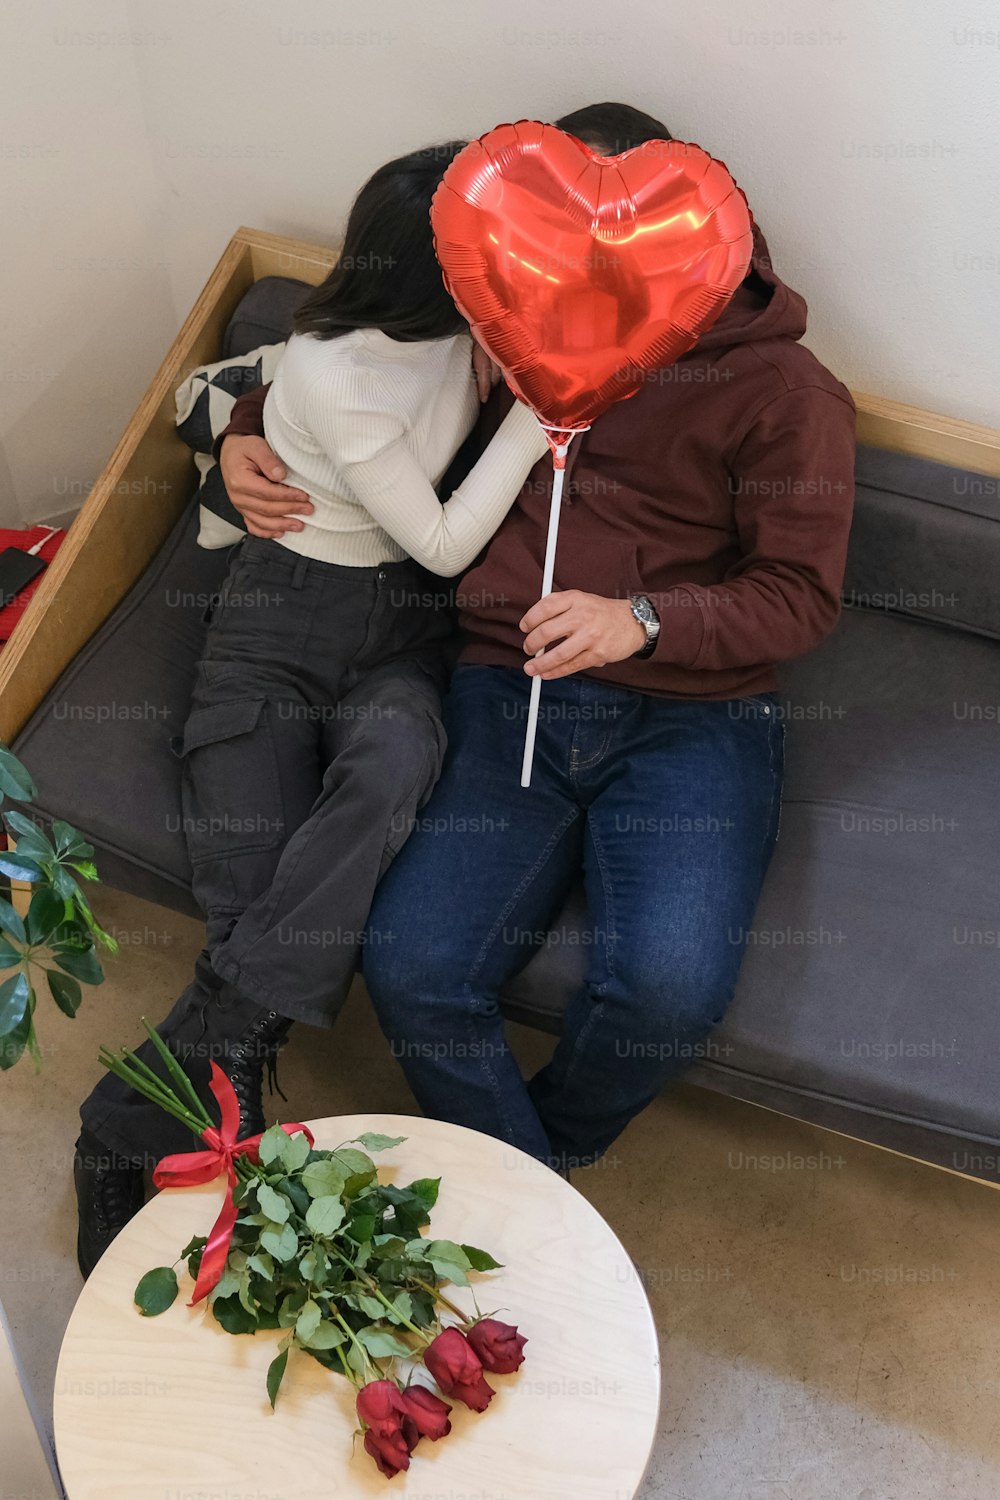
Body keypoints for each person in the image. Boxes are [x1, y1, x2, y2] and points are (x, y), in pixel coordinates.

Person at [218, 101, 857, 1173]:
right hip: (507, 688)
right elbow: (351, 371)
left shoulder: (786, 393)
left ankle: (531, 1182)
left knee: (664, 997)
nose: (576, 268)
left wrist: (643, 621)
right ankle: (528, 1195)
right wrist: (246, 434)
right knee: (415, 969)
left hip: (692, 717)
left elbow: (799, 596)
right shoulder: (501, 319)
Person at [73, 142, 548, 1274]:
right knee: (251, 874)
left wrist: (523, 378)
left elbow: (411, 545)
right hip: (282, 618)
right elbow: (431, 530)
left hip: (399, 630)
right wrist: (536, 419)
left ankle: (132, 1123)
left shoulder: (474, 320)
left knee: (399, 752)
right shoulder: (338, 363)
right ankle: (222, 1085)